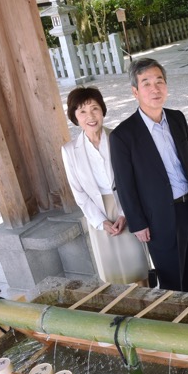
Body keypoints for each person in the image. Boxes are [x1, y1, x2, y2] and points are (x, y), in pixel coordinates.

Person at [110, 58, 188, 293]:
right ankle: (178, 328)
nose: (155, 89)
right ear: (135, 91)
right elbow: (125, 185)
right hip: (159, 218)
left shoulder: (177, 118)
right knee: (173, 282)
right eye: (146, 83)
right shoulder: (123, 135)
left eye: (159, 81)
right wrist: (138, 222)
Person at [60, 87, 149, 284]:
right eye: (82, 111)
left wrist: (126, 213)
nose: (90, 116)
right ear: (74, 117)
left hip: (126, 204)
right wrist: (101, 222)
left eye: (94, 108)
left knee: (138, 267)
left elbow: (135, 179)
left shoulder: (119, 137)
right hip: (97, 210)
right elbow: (79, 193)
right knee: (112, 272)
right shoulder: (69, 151)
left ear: (102, 110)